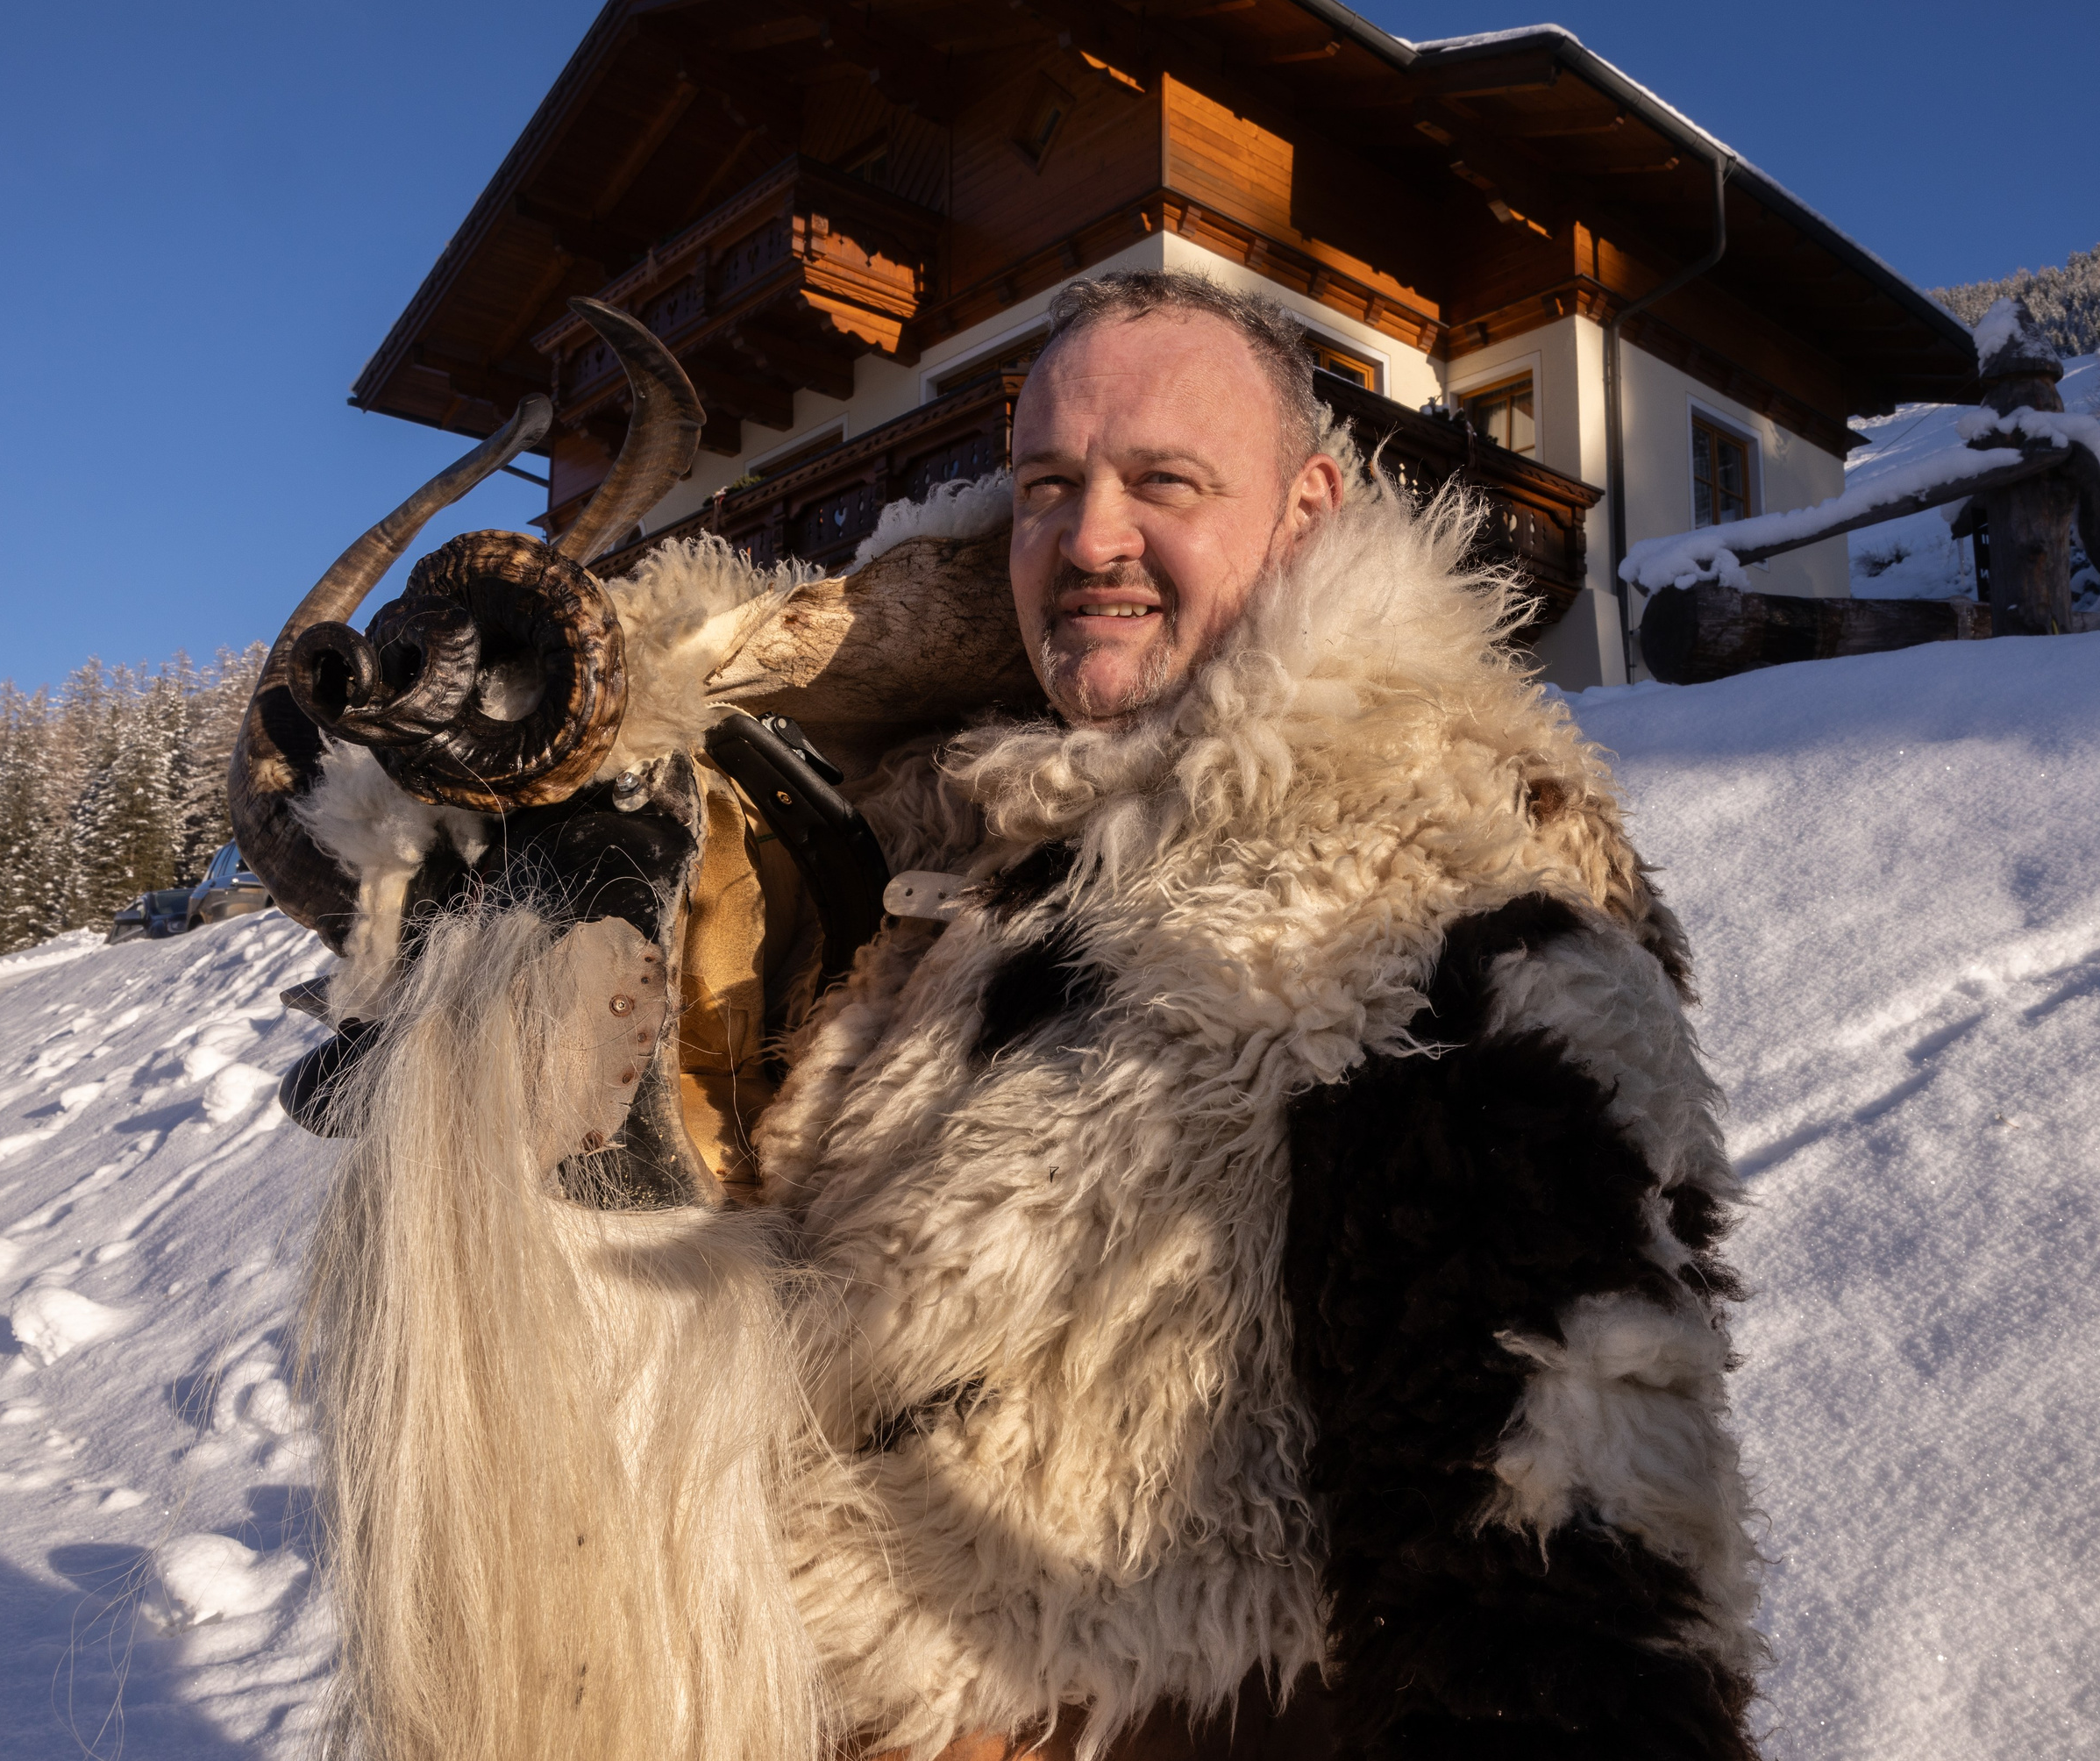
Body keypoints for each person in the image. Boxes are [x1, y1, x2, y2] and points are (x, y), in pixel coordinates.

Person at [293, 270, 1760, 1761]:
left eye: (1163, 482)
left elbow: (1557, 1548)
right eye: (1048, 485)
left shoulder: (1431, 894)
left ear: (1310, 504)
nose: (1091, 539)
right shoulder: (936, 856)